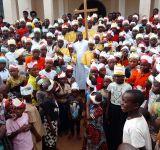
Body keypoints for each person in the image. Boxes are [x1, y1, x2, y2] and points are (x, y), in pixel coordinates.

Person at [107, 64, 132, 150]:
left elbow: (128, 101)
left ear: (124, 77)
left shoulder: (128, 86)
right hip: (112, 108)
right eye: (116, 76)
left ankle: (119, 144)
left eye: (120, 76)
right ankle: (112, 145)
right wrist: (107, 112)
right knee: (112, 127)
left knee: (121, 127)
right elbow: (108, 99)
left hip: (122, 110)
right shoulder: (111, 85)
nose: (118, 78)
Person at [21, 84, 44, 150]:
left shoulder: (25, 106)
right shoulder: (30, 109)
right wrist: (37, 136)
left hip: (33, 134)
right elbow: (31, 124)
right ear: (30, 96)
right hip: (35, 134)